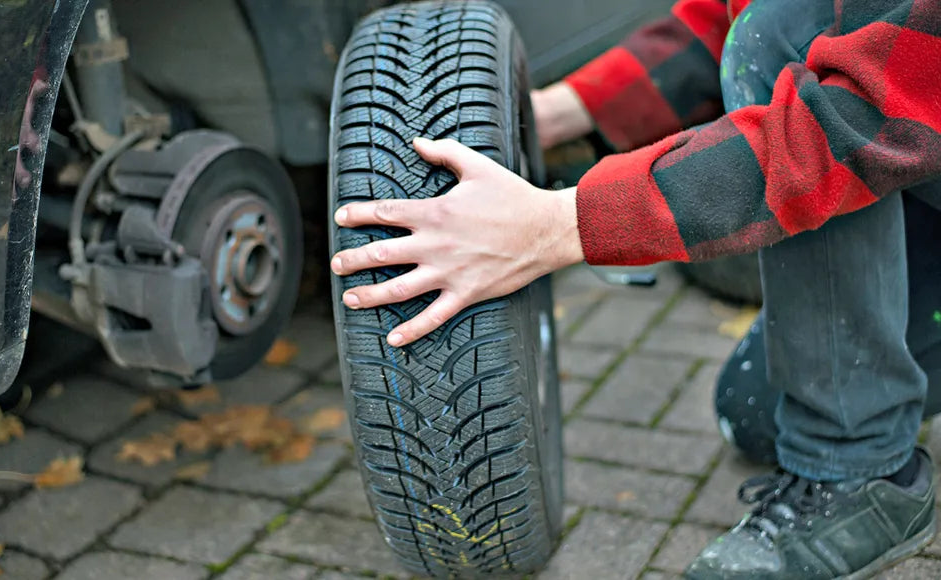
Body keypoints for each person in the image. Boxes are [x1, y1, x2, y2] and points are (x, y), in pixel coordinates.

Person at [329, 0, 941, 577]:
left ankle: (864, 476)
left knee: (778, 34)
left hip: (891, 127)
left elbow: (855, 123)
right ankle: (857, 428)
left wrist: (558, 226)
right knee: (754, 417)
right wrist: (557, 114)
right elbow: (727, 20)